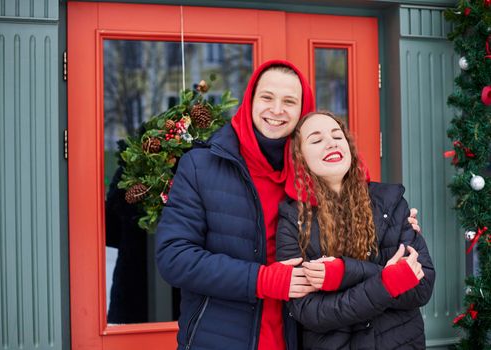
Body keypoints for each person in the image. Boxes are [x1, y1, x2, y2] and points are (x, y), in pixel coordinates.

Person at [156, 60, 421, 350]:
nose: (277, 110)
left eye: (289, 101)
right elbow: (174, 257)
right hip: (220, 336)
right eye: (267, 98)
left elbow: (358, 196)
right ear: (250, 101)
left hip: (297, 336)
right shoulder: (201, 166)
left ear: (302, 110)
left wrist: (394, 216)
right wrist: (260, 279)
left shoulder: (311, 166)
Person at [276, 111, 435, 349]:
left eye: (337, 136)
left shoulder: (390, 202)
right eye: (317, 140)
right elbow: (310, 312)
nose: (331, 142)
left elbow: (421, 287)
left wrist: (343, 273)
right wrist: (387, 282)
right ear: (299, 158)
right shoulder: (293, 220)